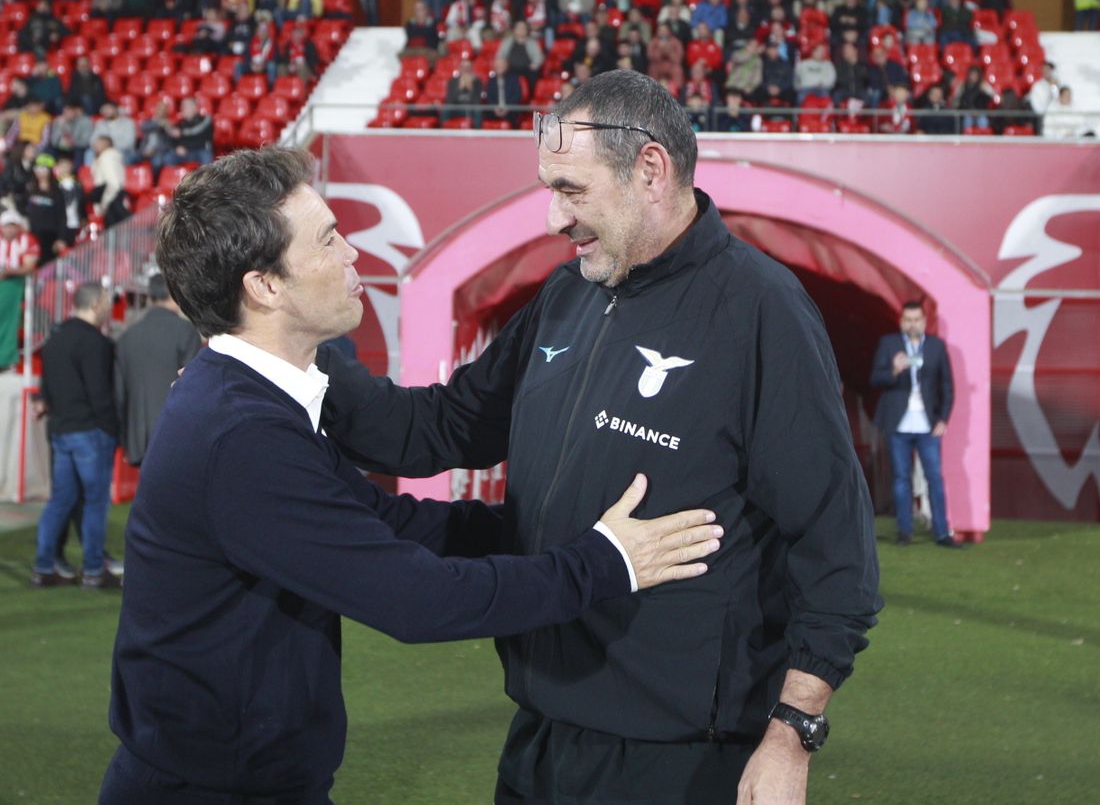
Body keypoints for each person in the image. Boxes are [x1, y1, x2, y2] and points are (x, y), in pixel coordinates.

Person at [317, 72, 881, 805]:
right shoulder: (567, 295)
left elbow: (837, 545)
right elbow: (444, 426)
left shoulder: (760, 310)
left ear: (650, 169)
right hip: (540, 735)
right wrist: (296, 353)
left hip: (677, 761)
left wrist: (792, 732)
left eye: (571, 190)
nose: (555, 217)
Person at [100, 146, 723, 804]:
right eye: (328, 239)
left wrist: (549, 526)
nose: (351, 253)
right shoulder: (242, 435)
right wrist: (602, 563)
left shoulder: (252, 402)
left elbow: (389, 521)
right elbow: (418, 599)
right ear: (265, 286)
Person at [32, 282, 123, 590]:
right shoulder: (96, 343)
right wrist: (113, 430)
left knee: (60, 501)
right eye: (107, 302)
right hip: (90, 432)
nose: (110, 308)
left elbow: (47, 386)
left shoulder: (53, 339)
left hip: (61, 430)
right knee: (95, 503)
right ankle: (94, 569)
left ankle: (43, 567)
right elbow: (100, 394)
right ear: (96, 304)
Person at [869, 301, 961, 548]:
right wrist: (894, 370)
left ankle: (942, 532)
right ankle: (904, 531)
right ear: (901, 322)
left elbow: (947, 386)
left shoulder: (936, 346)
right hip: (898, 423)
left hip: (927, 424)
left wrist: (943, 419)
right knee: (901, 478)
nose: (912, 324)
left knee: (935, 477)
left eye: (916, 319)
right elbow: (875, 379)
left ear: (924, 321)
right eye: (908, 320)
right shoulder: (889, 344)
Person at [114, 273, 202, 466]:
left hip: (137, 438)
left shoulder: (127, 336)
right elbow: (194, 386)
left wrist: (125, 440)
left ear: (150, 297)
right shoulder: (185, 331)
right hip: (175, 434)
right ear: (174, 295)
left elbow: (119, 394)